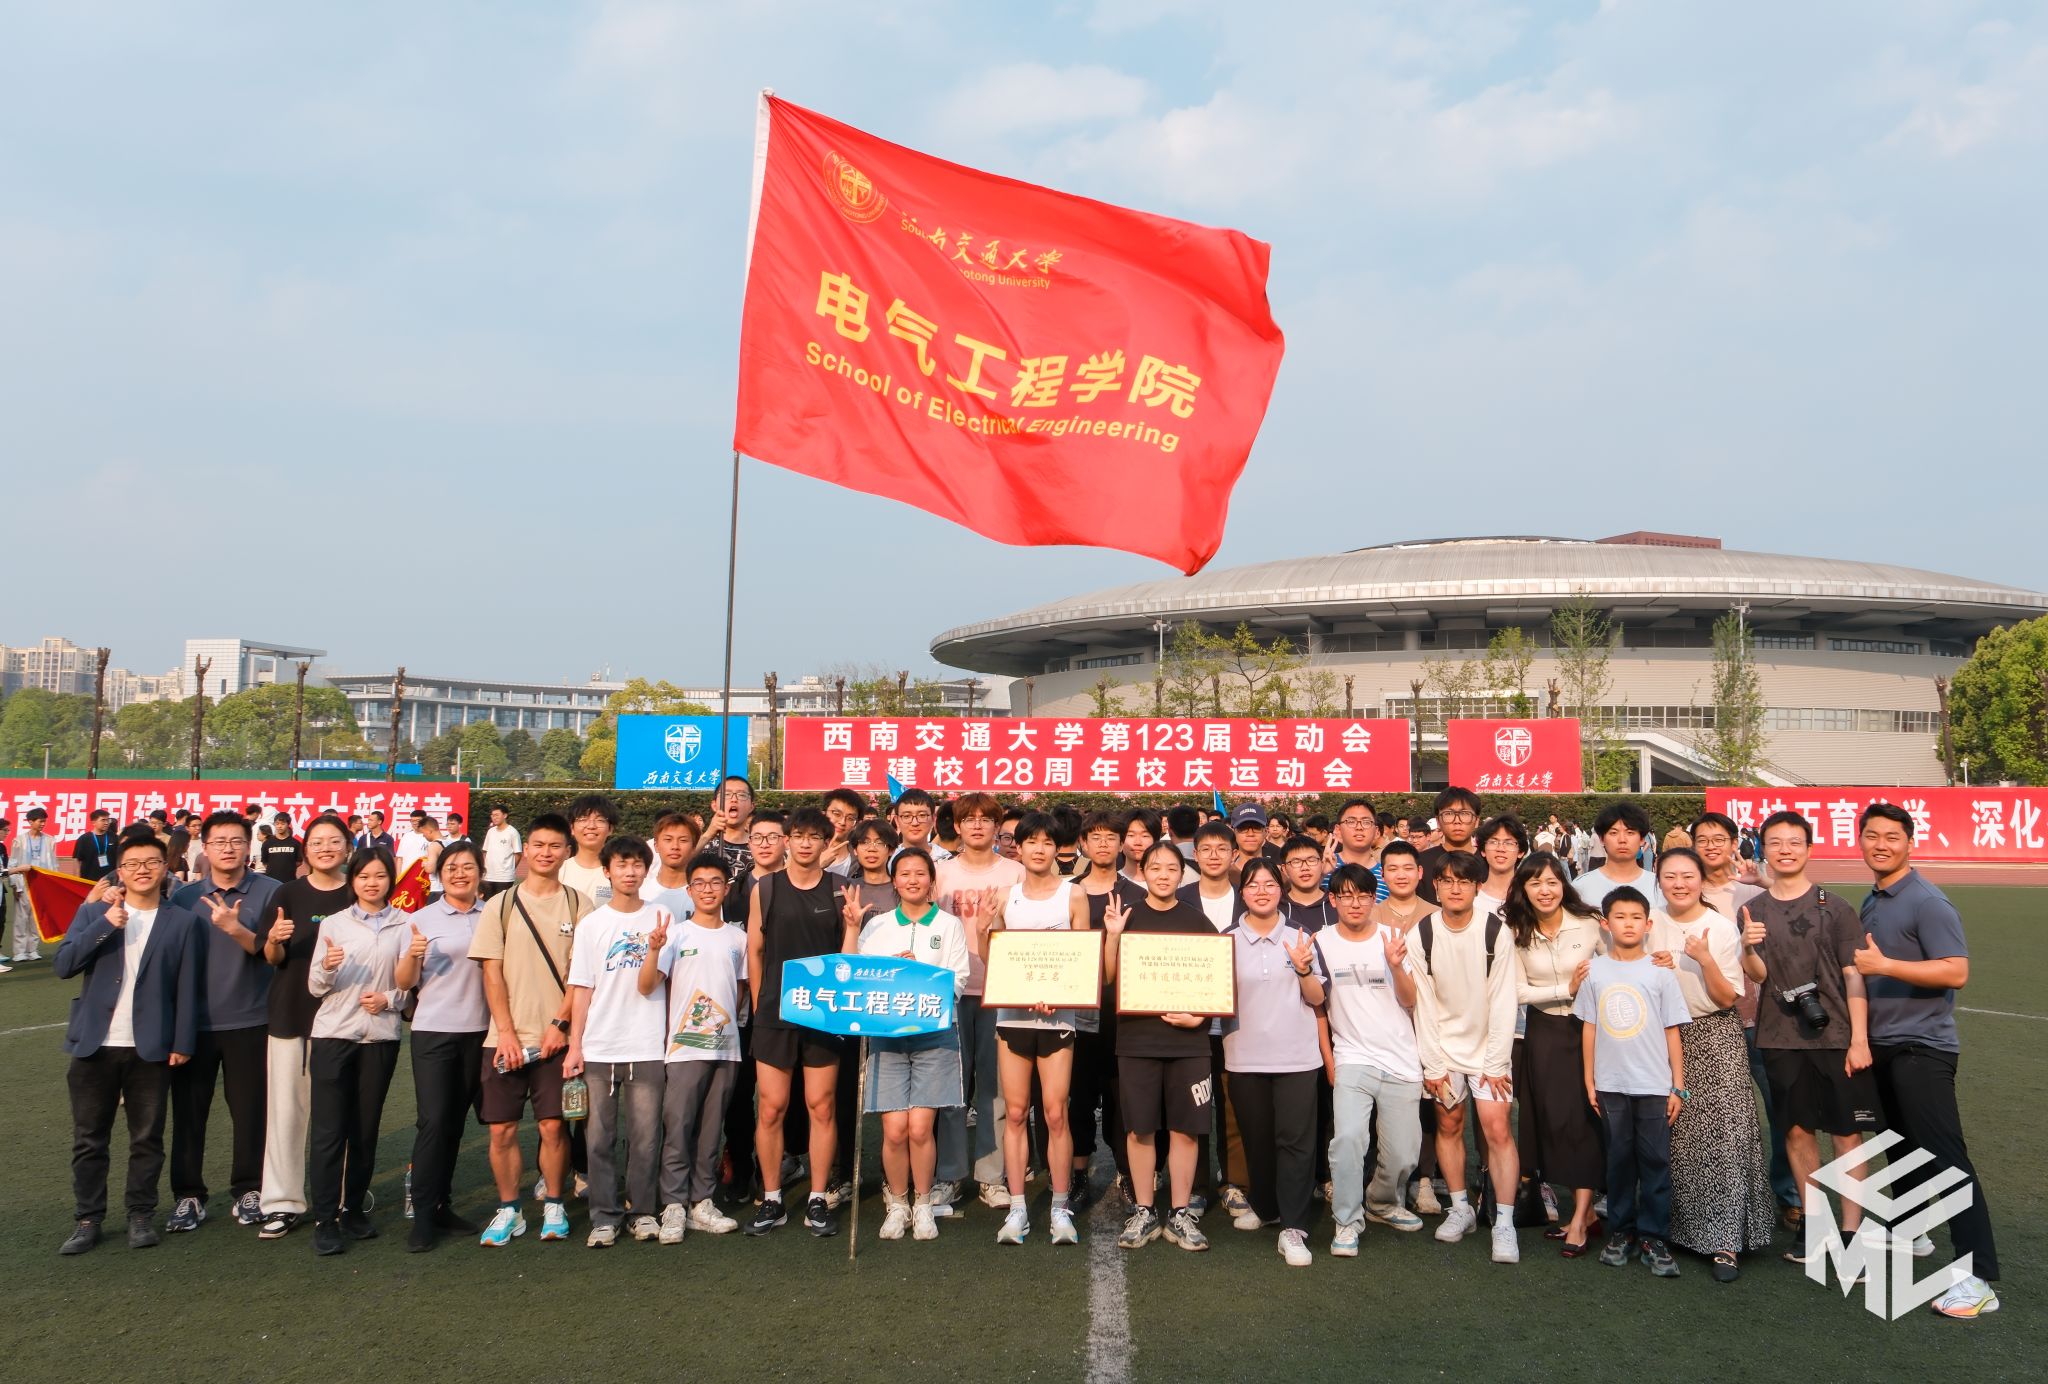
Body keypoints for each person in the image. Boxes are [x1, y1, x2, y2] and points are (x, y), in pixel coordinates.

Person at [1853, 802, 2001, 1318]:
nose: (1881, 845)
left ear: (1910, 843)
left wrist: (1885, 965)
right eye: (1872, 835)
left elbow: (1956, 971)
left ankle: (1978, 1279)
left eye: (1892, 837)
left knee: (1945, 1157)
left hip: (1923, 1047)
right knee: (1900, 1148)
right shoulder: (1874, 898)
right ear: (1860, 840)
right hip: (1885, 1044)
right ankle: (1912, 1231)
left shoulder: (1928, 901)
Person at [1740, 810, 1878, 1272]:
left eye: (1794, 842)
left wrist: (1859, 1039)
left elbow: (1854, 975)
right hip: (1779, 1037)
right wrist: (1746, 946)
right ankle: (1815, 1224)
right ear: (1763, 849)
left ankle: (1852, 1231)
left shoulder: (1835, 907)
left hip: (1836, 1036)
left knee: (1846, 1133)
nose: (1785, 850)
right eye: (1775, 842)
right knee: (1796, 1131)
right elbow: (1757, 976)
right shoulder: (1753, 911)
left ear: (1809, 849)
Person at [54, 833, 201, 1255]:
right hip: (94, 1044)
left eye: (151, 862)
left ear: (165, 867)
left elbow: (188, 987)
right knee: (89, 1139)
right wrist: (105, 924)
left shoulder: (182, 922)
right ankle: (88, 1219)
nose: (142, 870)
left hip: (150, 1046)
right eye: (133, 863)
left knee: (146, 1138)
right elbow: (64, 964)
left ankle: (140, 1215)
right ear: (120, 870)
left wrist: (182, 1041)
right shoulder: (94, 912)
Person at [469, 813, 590, 1247]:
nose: (545, 853)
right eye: (538, 845)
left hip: (557, 1041)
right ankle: (509, 1209)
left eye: (555, 846)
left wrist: (560, 1025)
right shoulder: (500, 905)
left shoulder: (579, 905)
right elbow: (492, 972)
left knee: (553, 1127)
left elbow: (583, 977)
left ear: (567, 852)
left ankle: (554, 1203)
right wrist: (505, 1032)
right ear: (526, 851)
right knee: (501, 1129)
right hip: (504, 1040)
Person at [1650, 847, 1771, 1282]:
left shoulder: (1718, 927)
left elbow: (1726, 997)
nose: (1679, 884)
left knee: (1725, 1136)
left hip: (1714, 1035)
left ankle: (1725, 1241)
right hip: (1661, 1037)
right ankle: (1678, 1229)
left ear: (1702, 880)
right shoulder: (1649, 922)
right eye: (1670, 876)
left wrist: (1701, 959)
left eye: (1688, 876)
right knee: (1675, 1137)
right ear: (1658, 880)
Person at [166, 810, 283, 1233]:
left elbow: (278, 954)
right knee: (188, 1114)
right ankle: (188, 1195)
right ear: (205, 847)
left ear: (249, 846)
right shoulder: (184, 898)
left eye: (236, 840)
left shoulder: (272, 892)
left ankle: (249, 1189)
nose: (228, 848)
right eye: (219, 841)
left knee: (250, 1112)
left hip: (252, 1020)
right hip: (193, 1026)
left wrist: (236, 929)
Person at [854, 848, 971, 1242]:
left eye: (920, 873)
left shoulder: (949, 925)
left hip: (935, 1035)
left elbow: (958, 981)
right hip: (887, 1037)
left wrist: (916, 973)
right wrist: (891, 969)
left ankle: (922, 1203)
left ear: (931, 881)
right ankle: (897, 1203)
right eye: (904, 874)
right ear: (895, 881)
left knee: (920, 1129)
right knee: (894, 1131)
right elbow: (857, 977)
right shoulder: (878, 926)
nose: (912, 880)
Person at [984, 811, 1090, 1246]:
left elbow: (1082, 959)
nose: (1039, 850)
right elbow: (992, 959)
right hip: (1012, 1017)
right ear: (1019, 847)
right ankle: (1018, 1208)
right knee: (1014, 1112)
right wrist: (984, 926)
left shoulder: (1074, 894)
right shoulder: (1004, 896)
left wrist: (1059, 994)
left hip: (1058, 1018)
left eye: (1048, 842)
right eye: (1031, 842)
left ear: (1057, 848)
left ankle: (1060, 1207)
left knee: (1055, 1112)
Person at [1105, 841, 1216, 1253]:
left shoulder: (1198, 920)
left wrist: (1200, 1017)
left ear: (1182, 874)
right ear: (1143, 871)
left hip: (1189, 1044)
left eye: (1172, 868)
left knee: (1186, 1129)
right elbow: (1109, 977)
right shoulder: (1127, 916)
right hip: (1137, 1040)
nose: (1164, 874)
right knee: (1140, 1128)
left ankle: (1181, 1212)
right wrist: (1113, 937)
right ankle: (1146, 1209)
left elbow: (1217, 980)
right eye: (1156, 867)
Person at [1412, 852, 1521, 1263]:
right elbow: (1423, 1004)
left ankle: (1504, 1222)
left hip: (1489, 1050)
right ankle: (1460, 1209)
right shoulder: (1422, 933)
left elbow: (1504, 999)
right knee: (1449, 1124)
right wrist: (1433, 1064)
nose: (1455, 888)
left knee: (1497, 1130)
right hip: (1443, 1050)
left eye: (1463, 881)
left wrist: (1495, 1062)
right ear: (1435, 886)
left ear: (1477, 886)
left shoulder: (1496, 931)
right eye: (1447, 881)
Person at [1576, 886, 1690, 1278]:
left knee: (1655, 1160)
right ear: (1605, 924)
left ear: (1648, 924)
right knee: (1619, 1160)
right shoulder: (1594, 970)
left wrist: (1678, 1086)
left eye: (1636, 917)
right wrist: (1589, 1080)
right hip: (1611, 1085)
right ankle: (1621, 1232)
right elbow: (1589, 1027)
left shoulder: (1660, 972)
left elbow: (1672, 1030)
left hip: (1654, 1085)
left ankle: (1654, 1237)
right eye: (1620, 917)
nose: (1628, 924)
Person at [564, 836, 670, 1248]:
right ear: (606, 871)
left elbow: (655, 983)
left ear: (646, 869)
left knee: (645, 1138)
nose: (630, 872)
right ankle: (604, 1216)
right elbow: (581, 988)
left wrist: (654, 948)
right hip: (600, 1045)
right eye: (621, 864)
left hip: (647, 1044)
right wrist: (576, 1046)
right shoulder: (592, 924)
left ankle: (642, 1211)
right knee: (598, 1139)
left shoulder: (661, 917)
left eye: (637, 864)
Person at [746, 807, 847, 1238]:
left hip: (823, 1012)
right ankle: (772, 1198)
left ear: (826, 843)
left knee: (821, 1105)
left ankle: (818, 1197)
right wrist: (760, 1005)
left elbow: (848, 955)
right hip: (775, 1013)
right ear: (787, 840)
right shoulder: (765, 888)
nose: (806, 843)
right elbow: (755, 951)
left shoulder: (841, 889)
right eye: (799, 835)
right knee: (771, 1107)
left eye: (814, 837)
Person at [302, 846, 409, 1256]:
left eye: (380, 875)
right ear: (353, 880)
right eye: (364, 876)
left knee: (365, 1130)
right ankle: (325, 1219)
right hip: (334, 1036)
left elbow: (409, 987)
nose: (372, 883)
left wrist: (389, 999)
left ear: (390, 880)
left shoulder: (405, 924)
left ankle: (353, 1210)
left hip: (379, 1038)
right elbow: (315, 986)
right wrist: (328, 966)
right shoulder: (334, 924)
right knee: (329, 1132)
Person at [1220, 858, 1326, 1268]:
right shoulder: (1226, 940)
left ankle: (1294, 1227)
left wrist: (1303, 969)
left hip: (1297, 1056)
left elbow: (1318, 998)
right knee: (1257, 1138)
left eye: (1269, 884)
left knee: (1295, 1142)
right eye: (1252, 885)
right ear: (1242, 892)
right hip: (1244, 1056)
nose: (1261, 891)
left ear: (1281, 890)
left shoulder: (1301, 936)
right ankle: (1266, 1208)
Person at [253, 813, 351, 1240]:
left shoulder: (359, 890)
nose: (326, 848)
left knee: (341, 1114)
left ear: (348, 846)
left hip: (346, 1020)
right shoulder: (287, 894)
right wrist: (274, 939)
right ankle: (282, 1202)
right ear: (304, 849)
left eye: (334, 840)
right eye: (317, 842)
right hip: (291, 1015)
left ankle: (342, 1197)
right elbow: (271, 958)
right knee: (285, 1113)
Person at [1692, 811, 1793, 1221]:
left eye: (1719, 838)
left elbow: (1808, 905)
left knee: (1781, 1109)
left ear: (1735, 843)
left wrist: (1766, 883)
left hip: (1762, 1018)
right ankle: (1712, 1198)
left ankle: (1788, 1194)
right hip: (1708, 1023)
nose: (1711, 846)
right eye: (1702, 839)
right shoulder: (1683, 889)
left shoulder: (1753, 889)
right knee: (1711, 1117)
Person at [1319, 863, 1423, 1258]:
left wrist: (1395, 965)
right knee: (1348, 1138)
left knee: (1404, 1153)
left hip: (1401, 1057)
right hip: (1352, 1056)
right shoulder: (1321, 941)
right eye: (1346, 895)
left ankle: (1381, 1200)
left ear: (1372, 898)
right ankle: (1347, 1220)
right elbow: (1316, 1005)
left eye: (1363, 895)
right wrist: (1329, 1058)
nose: (1355, 903)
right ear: (1333, 900)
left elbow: (1410, 1000)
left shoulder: (1392, 938)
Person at [640, 854, 747, 1242]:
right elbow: (647, 985)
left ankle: (702, 1201)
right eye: (699, 883)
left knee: (710, 1129)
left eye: (715, 882)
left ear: (726, 889)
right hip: (684, 1049)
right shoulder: (676, 934)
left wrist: (723, 1025)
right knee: (679, 1126)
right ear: (689, 890)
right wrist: (654, 950)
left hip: (726, 1049)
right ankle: (673, 1204)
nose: (707, 889)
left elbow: (740, 990)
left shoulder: (738, 938)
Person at [1504, 852, 1605, 1257]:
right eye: (1535, 883)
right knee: (1552, 1121)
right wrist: (1567, 988)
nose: (1545, 890)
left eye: (1552, 881)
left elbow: (1620, 962)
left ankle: (1580, 1217)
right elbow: (1518, 991)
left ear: (1564, 883)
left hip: (1590, 1030)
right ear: (1523, 889)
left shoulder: (1590, 923)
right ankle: (1586, 1211)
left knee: (1584, 1120)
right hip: (1543, 1032)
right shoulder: (1515, 930)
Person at [395, 839, 490, 1253]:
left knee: (454, 1123)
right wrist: (414, 955)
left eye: (467, 867)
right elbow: (403, 982)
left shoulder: (494, 915)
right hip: (434, 1031)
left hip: (482, 1033)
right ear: (439, 874)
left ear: (480, 873)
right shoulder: (421, 919)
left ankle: (441, 1205)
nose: (459, 874)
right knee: (433, 1121)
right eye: (451, 867)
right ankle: (422, 1213)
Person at [933, 792, 1024, 1211]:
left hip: (1000, 992)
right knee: (953, 1087)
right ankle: (949, 1175)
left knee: (995, 1090)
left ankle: (992, 1176)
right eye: (968, 819)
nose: (976, 826)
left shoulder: (1016, 873)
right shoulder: (940, 874)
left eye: (985, 819)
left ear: (996, 826)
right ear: (956, 826)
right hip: (949, 992)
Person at [1071, 810, 1140, 1206]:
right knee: (1079, 1095)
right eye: (1094, 837)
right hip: (1076, 1009)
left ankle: (1127, 1172)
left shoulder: (1136, 893)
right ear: (1083, 843)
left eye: (1110, 837)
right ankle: (1078, 1174)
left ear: (1121, 844)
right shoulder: (1069, 892)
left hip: (1122, 1011)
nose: (1103, 844)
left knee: (1121, 1096)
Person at [1571, 803, 1664, 912]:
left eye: (1630, 832)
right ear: (1602, 839)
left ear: (1642, 839)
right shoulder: (1581, 886)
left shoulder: (1660, 886)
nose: (1622, 840)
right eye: (1614, 833)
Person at [7, 806, 59, 962]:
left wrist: (54, 884)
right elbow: (13, 862)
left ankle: (33, 949)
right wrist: (14, 885)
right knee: (21, 917)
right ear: (30, 822)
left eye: (44, 821)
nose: (43, 824)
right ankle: (19, 951)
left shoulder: (50, 840)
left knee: (37, 918)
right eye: (40, 821)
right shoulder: (19, 840)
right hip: (24, 883)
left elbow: (54, 864)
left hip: (42, 884)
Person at [1415, 787, 1483, 904]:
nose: (1457, 821)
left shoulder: (1489, 862)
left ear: (1476, 821)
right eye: (1449, 814)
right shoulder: (1420, 862)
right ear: (1438, 821)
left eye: (1465, 814)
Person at [559, 794, 620, 906]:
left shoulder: (620, 871)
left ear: (610, 829)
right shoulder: (560, 871)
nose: (591, 826)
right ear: (572, 828)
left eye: (600, 820)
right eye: (583, 819)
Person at [1474, 815, 1528, 914]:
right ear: (1483, 850)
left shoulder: (1530, 897)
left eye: (1509, 843)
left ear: (1521, 852)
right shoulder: (1470, 897)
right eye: (1493, 842)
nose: (1500, 849)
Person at [481, 807, 522, 899]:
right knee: (487, 903)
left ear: (505, 815)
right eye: (492, 815)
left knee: (502, 903)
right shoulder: (490, 832)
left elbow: (518, 854)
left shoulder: (512, 832)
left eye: (497, 815)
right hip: (488, 876)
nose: (494, 817)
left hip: (504, 877)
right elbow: (485, 851)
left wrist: (510, 868)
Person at [71, 809, 119, 883]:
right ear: (94, 822)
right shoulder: (84, 839)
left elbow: (120, 857)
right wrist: (77, 880)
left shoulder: (114, 838)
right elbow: (76, 860)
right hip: (89, 880)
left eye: (108, 820)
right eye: (103, 820)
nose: (106, 823)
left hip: (111, 881)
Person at [259, 814, 302, 880]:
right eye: (277, 824)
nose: (279, 826)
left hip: (289, 880)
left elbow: (299, 862)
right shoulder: (267, 843)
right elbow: (264, 862)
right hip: (271, 880)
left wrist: (287, 868)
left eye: (282, 824)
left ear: (288, 824)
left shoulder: (296, 843)